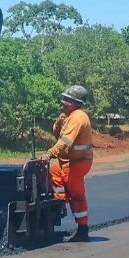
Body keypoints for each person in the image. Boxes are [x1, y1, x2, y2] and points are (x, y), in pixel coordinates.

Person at [45, 85, 93, 242]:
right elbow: (59, 134)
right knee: (55, 172)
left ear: (74, 102)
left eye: (66, 100)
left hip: (77, 163)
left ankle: (82, 230)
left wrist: (50, 153)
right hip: (68, 162)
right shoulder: (70, 116)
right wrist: (59, 123)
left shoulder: (77, 118)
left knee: (77, 196)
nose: (62, 102)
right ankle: (60, 203)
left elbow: (65, 142)